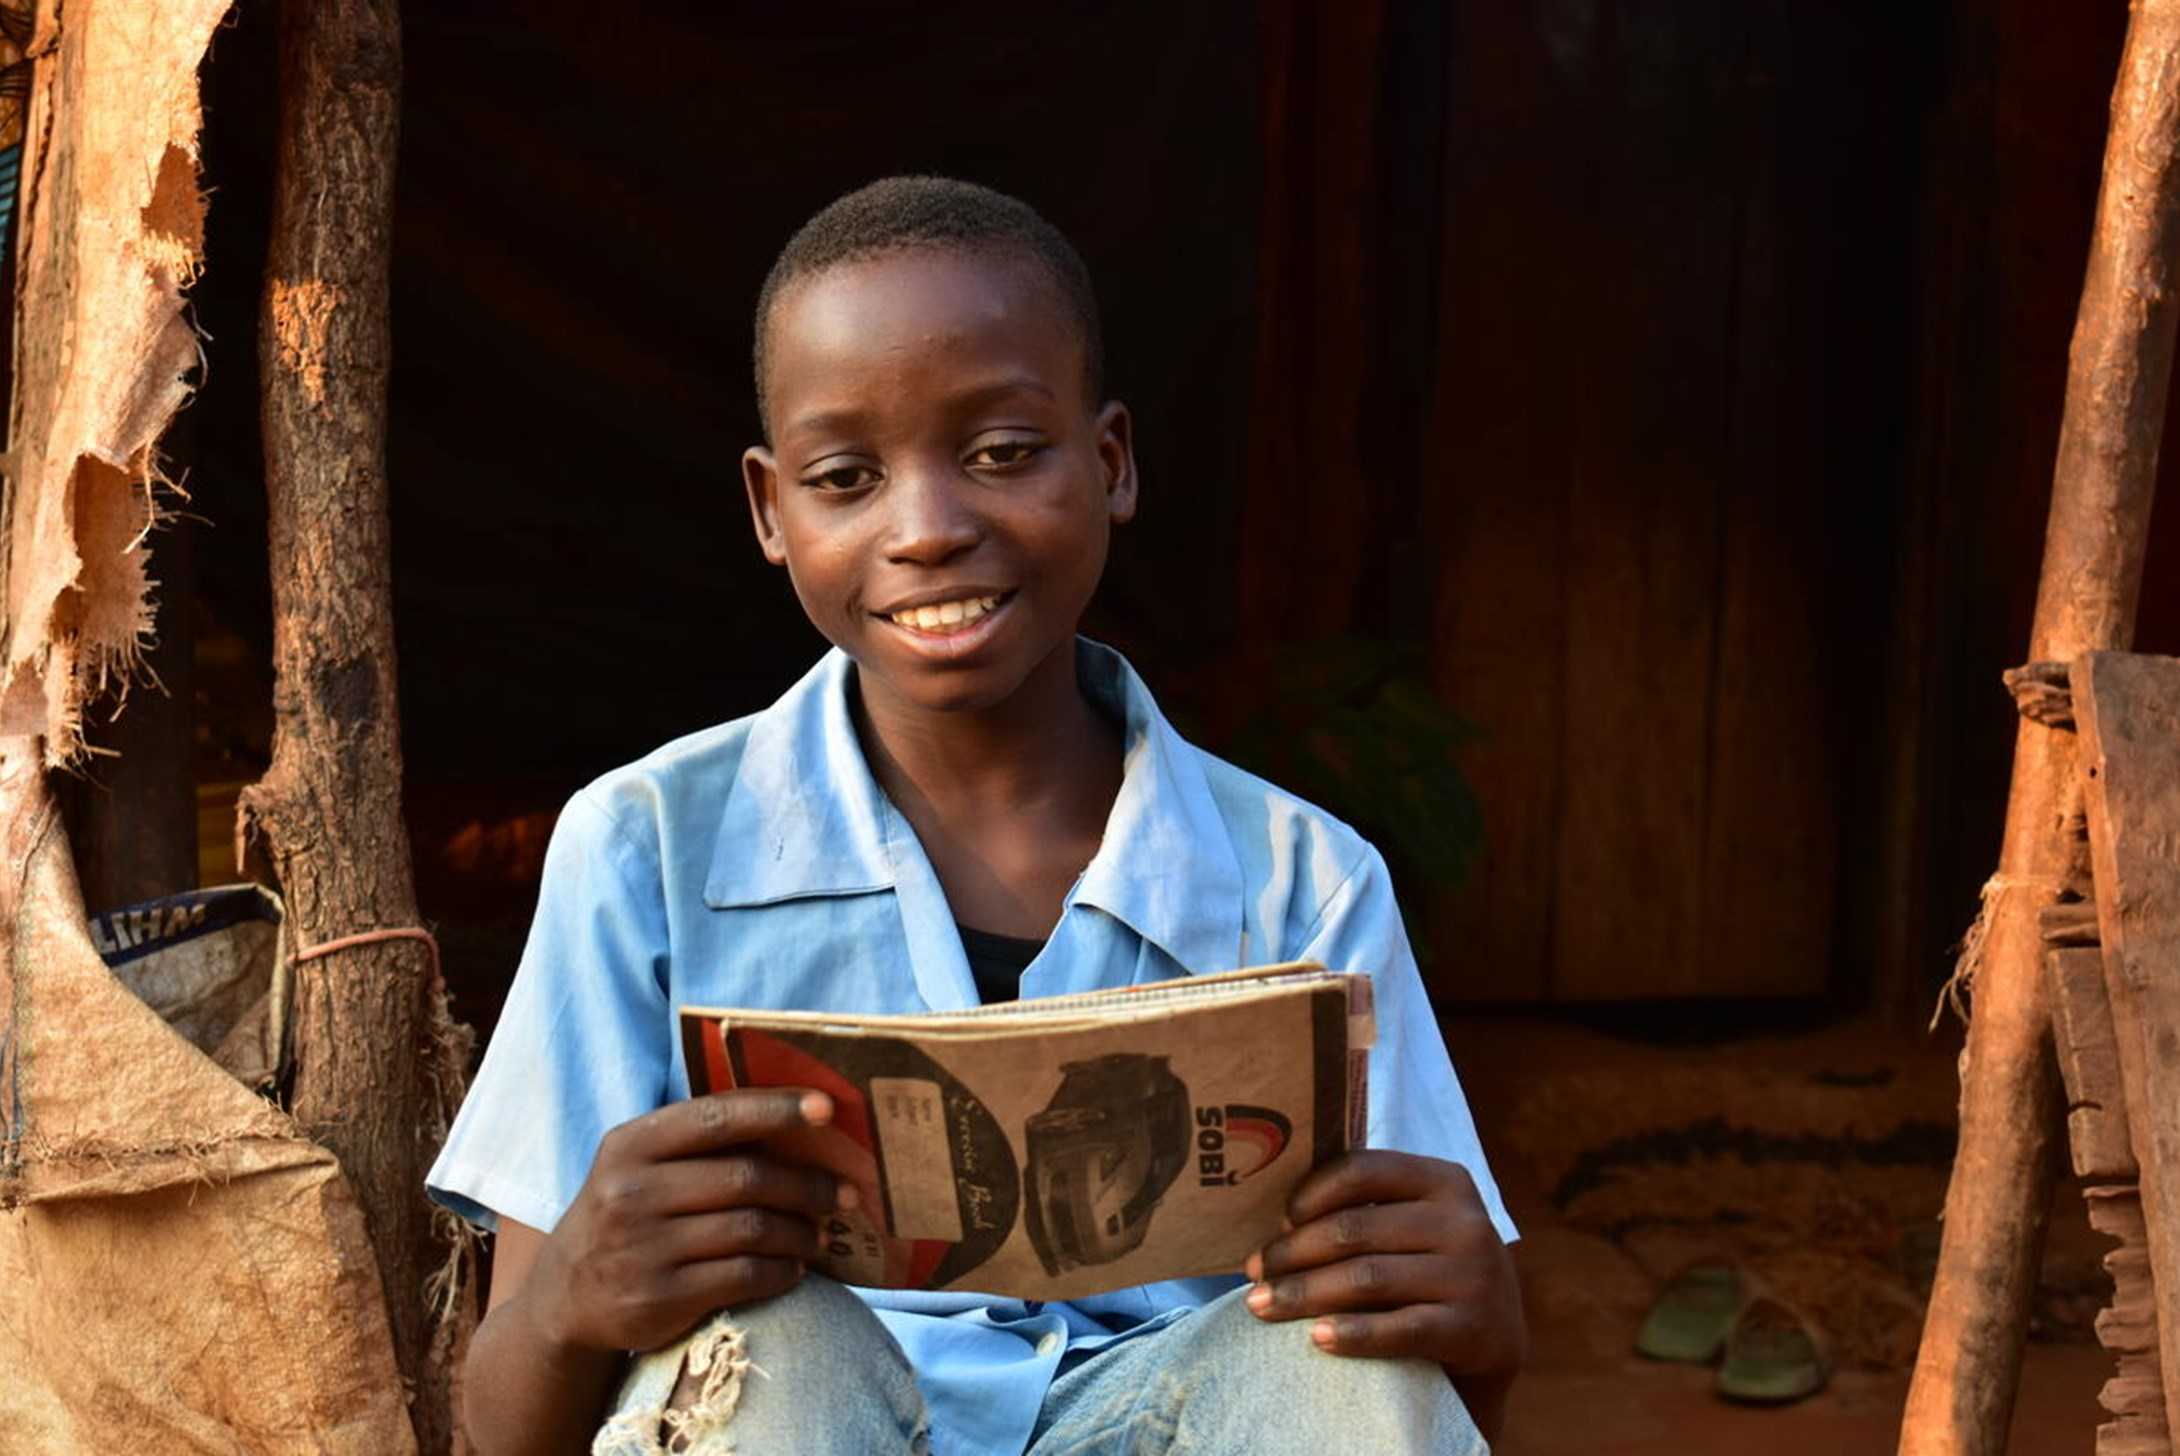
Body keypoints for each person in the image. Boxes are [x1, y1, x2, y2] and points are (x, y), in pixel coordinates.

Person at [429, 176, 1526, 1455]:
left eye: (1002, 452)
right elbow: (503, 1427)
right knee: (761, 1347)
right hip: (816, 1423)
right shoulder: (644, 849)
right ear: (768, 511)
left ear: (1110, 463)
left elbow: (1439, 1394)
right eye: (845, 476)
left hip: (1179, 1417)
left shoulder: (1302, 880)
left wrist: (1478, 1320)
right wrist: (570, 1298)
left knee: (1345, 1365)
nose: (929, 529)